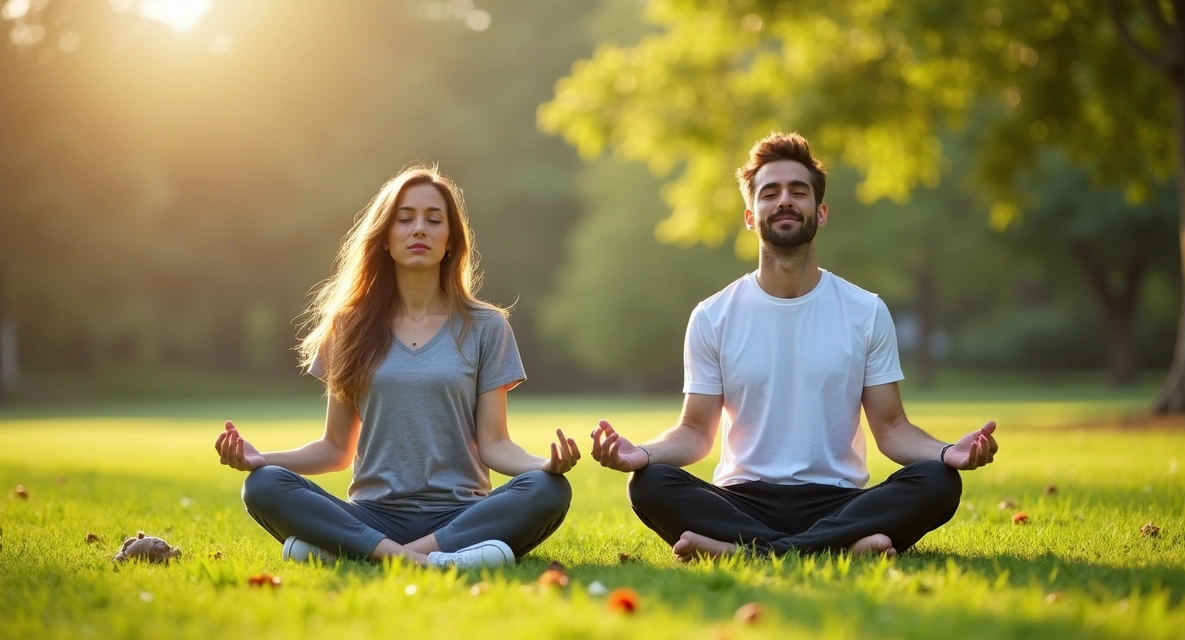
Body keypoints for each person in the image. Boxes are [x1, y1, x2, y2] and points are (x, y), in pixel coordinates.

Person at [589, 132, 997, 561]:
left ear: (820, 213)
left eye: (798, 192)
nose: (784, 200)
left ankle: (750, 551)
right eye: (770, 193)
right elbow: (695, 432)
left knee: (939, 481)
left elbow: (892, 428)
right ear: (751, 216)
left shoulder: (865, 311)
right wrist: (642, 454)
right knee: (649, 483)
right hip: (742, 501)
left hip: (838, 501)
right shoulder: (712, 315)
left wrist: (949, 453)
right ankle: (837, 548)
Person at [214, 165, 579, 569]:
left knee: (549, 489)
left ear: (450, 241)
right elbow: (336, 448)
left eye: (433, 220)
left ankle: (369, 555)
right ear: (385, 238)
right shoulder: (348, 327)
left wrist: (544, 465)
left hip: (459, 515)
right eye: (405, 219)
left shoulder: (486, 326)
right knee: (263, 485)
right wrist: (259, 459)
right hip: (372, 515)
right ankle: (435, 560)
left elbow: (494, 444)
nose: (419, 229)